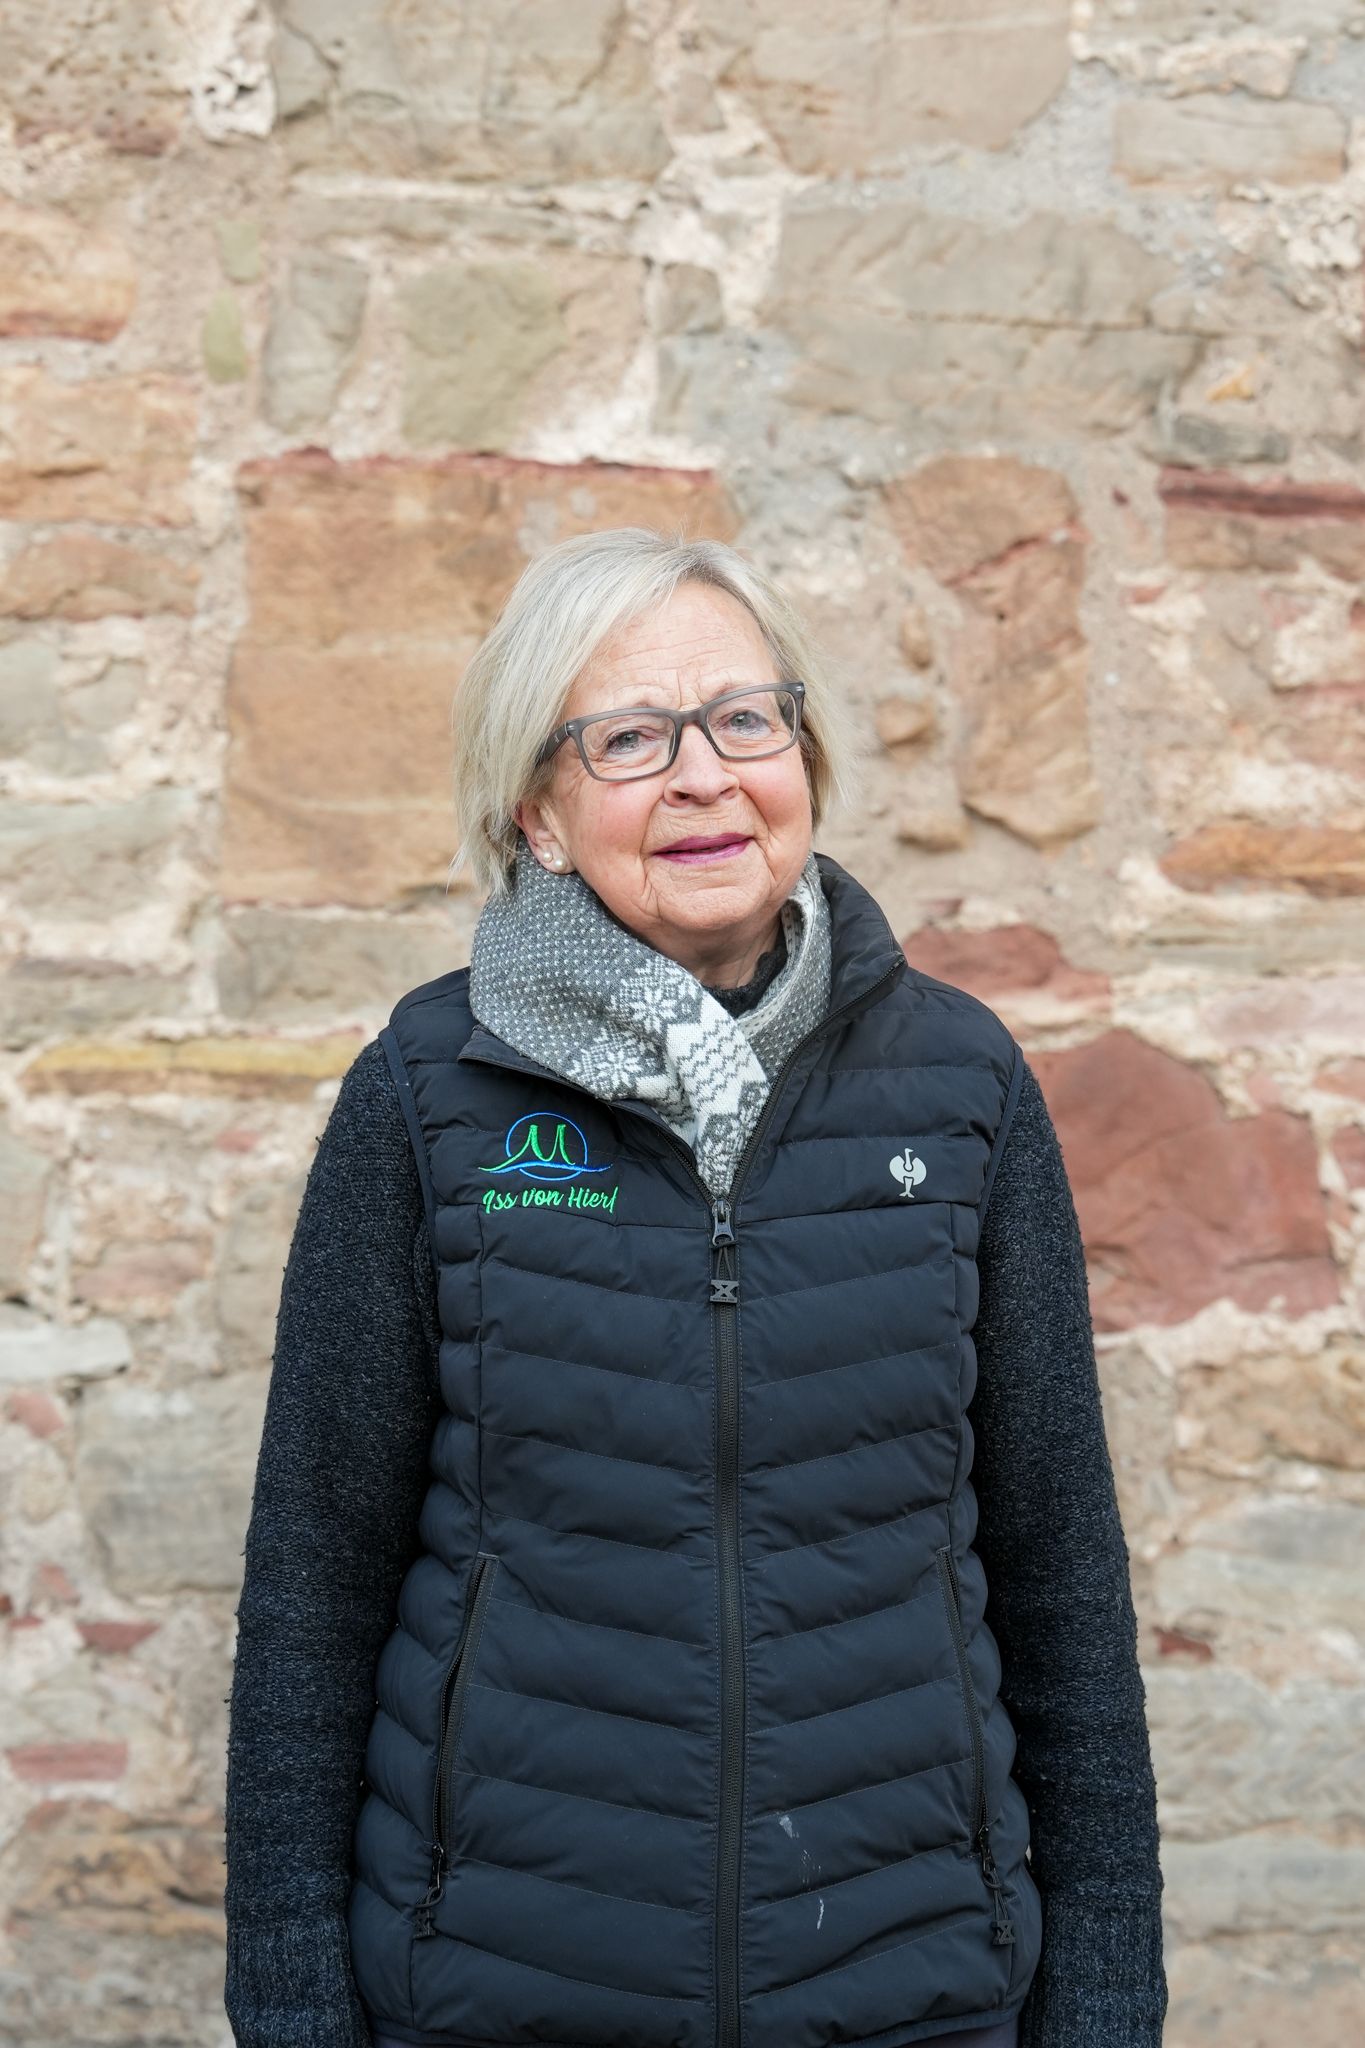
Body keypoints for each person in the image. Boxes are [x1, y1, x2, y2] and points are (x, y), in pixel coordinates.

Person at [224, 528, 1166, 2048]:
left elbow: (1060, 1575)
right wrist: (288, 2000)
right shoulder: (427, 1096)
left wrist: (1109, 2001)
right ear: (537, 810)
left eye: (746, 718)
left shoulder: (962, 1087)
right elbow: (313, 1592)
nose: (705, 776)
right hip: (501, 1993)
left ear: (802, 756)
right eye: (629, 739)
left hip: (908, 1985)